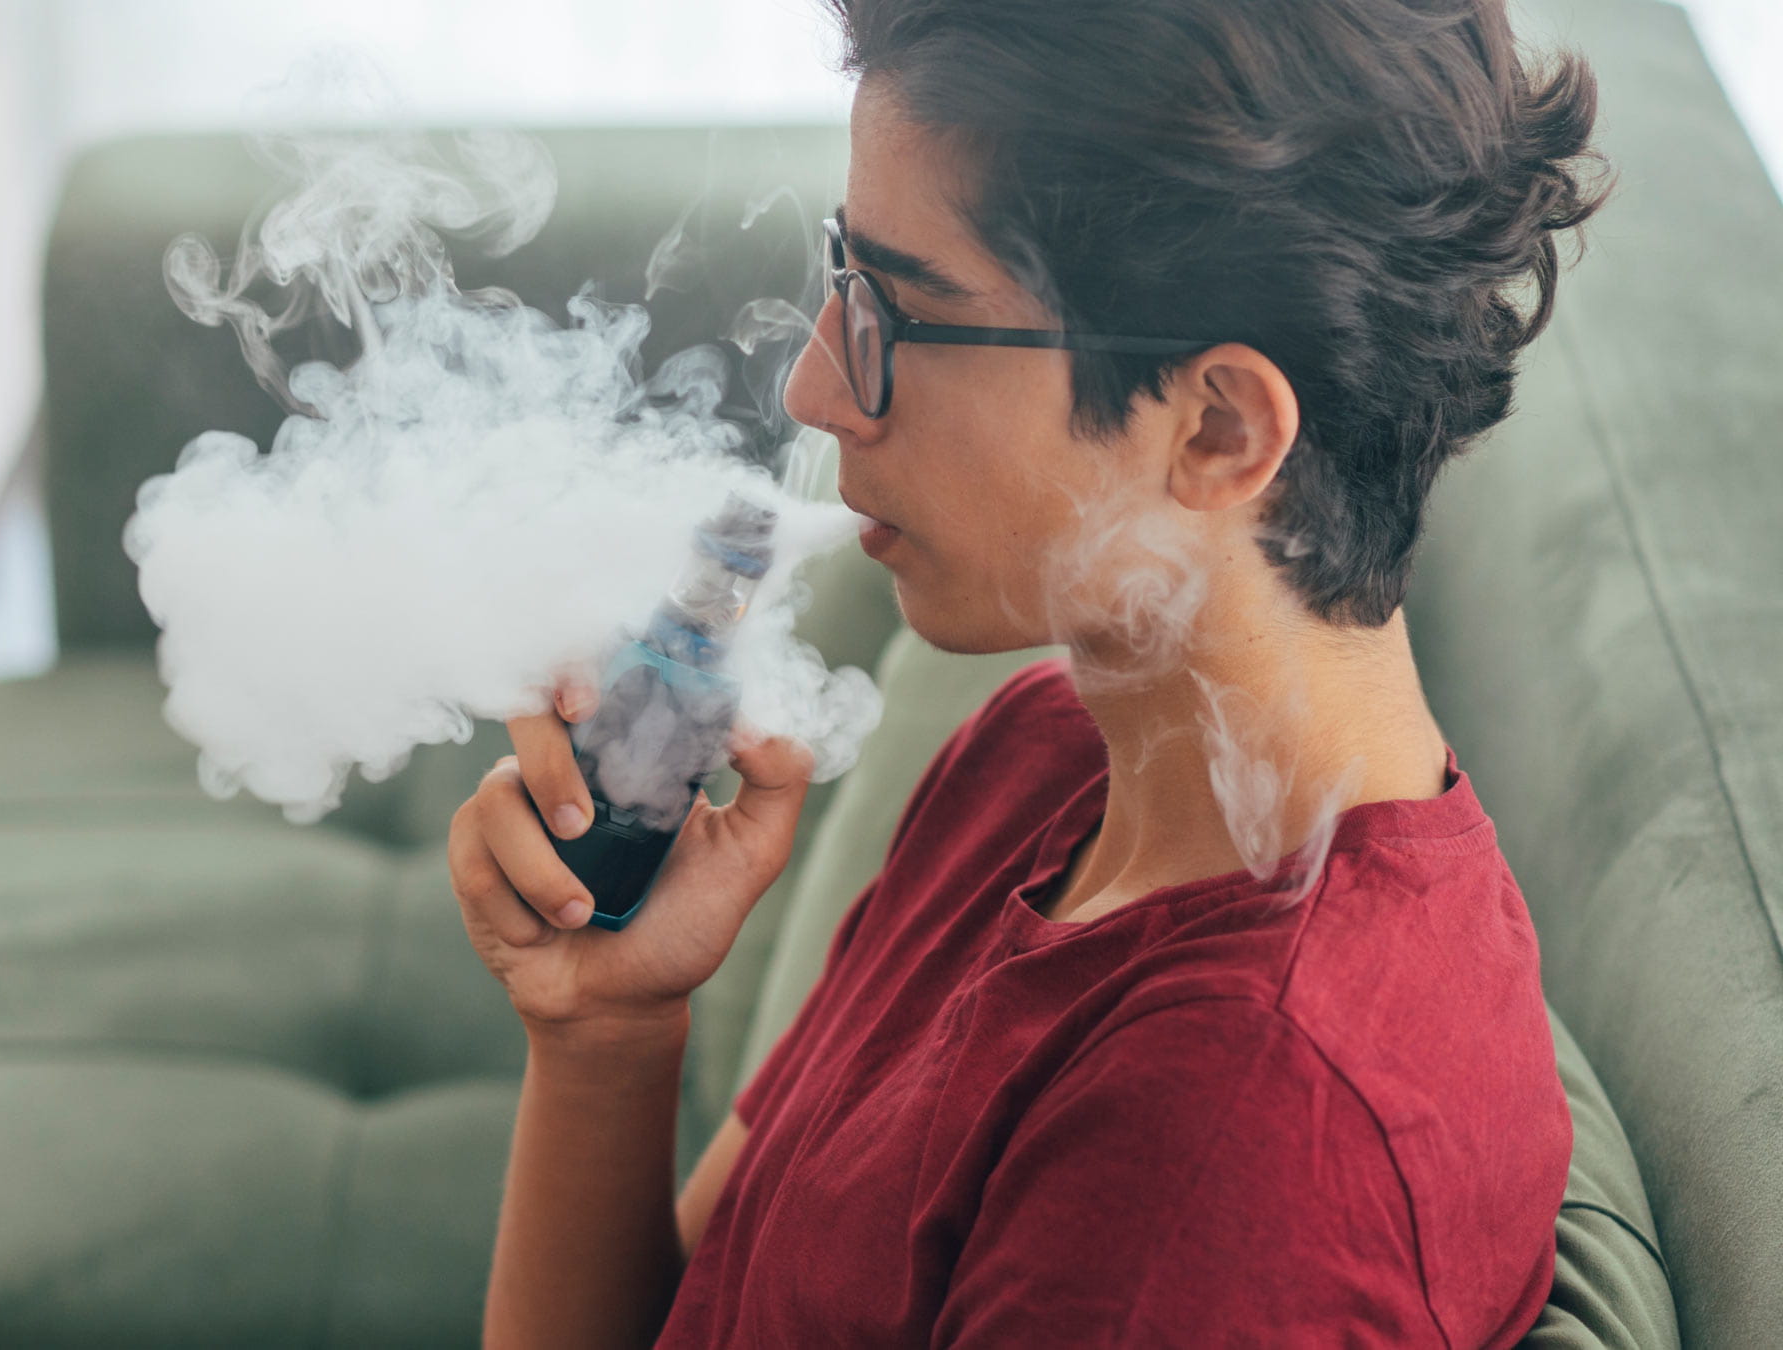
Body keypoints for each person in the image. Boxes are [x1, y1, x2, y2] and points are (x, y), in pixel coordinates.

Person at [446, 0, 1608, 1343]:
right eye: (842, 269)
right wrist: (606, 1032)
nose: (818, 391)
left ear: (1220, 429)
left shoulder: (1227, 1156)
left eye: (903, 308)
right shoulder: (1044, 752)